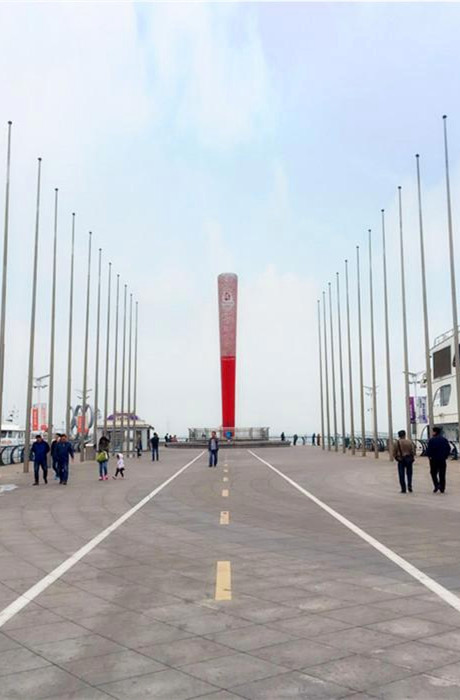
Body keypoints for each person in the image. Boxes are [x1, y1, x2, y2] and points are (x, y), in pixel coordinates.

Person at [426, 426, 451, 494]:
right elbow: (448, 449)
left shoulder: (431, 440)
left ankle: (436, 485)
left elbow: (429, 450)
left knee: (433, 473)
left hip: (433, 460)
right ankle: (442, 488)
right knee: (442, 473)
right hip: (442, 459)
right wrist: (445, 456)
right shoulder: (444, 440)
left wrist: (429, 456)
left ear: (435, 432)